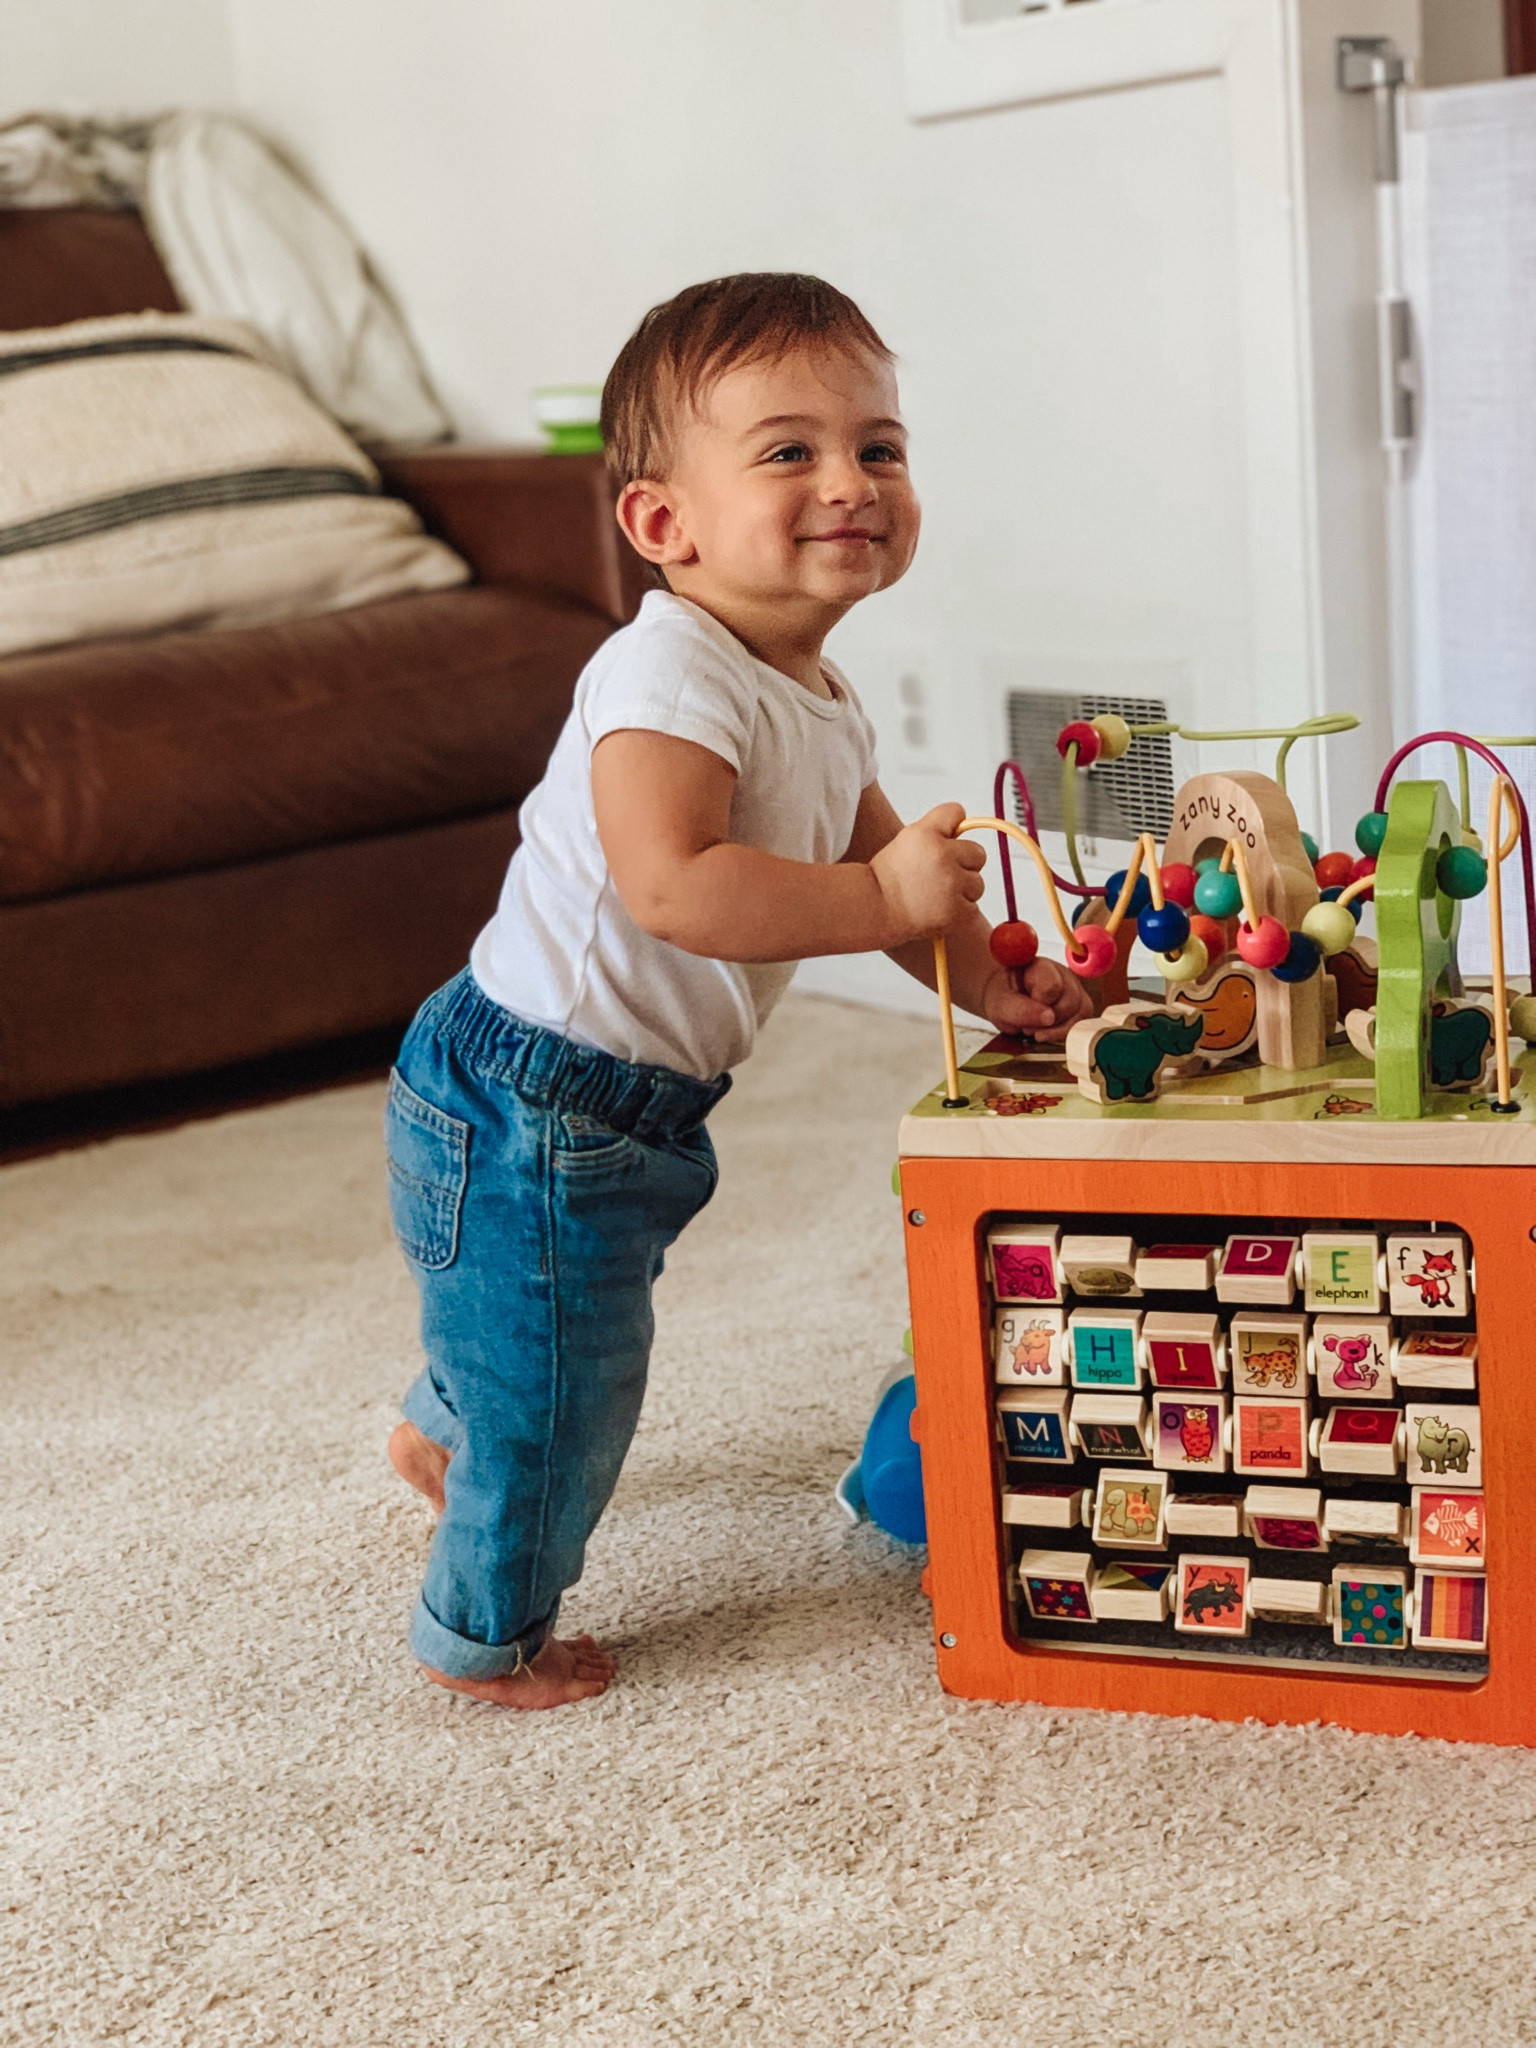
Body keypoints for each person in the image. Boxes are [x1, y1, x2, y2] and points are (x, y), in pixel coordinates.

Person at [385, 273, 1096, 1707]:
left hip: (619, 1112)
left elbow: (873, 861)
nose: (851, 482)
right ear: (664, 524)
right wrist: (884, 897)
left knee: (532, 1318)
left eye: (878, 448)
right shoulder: (668, 672)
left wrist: (998, 986)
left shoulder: (814, 692)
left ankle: (441, 1428)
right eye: (790, 452)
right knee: (566, 1388)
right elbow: (676, 885)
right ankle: (480, 1636)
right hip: (527, 1102)